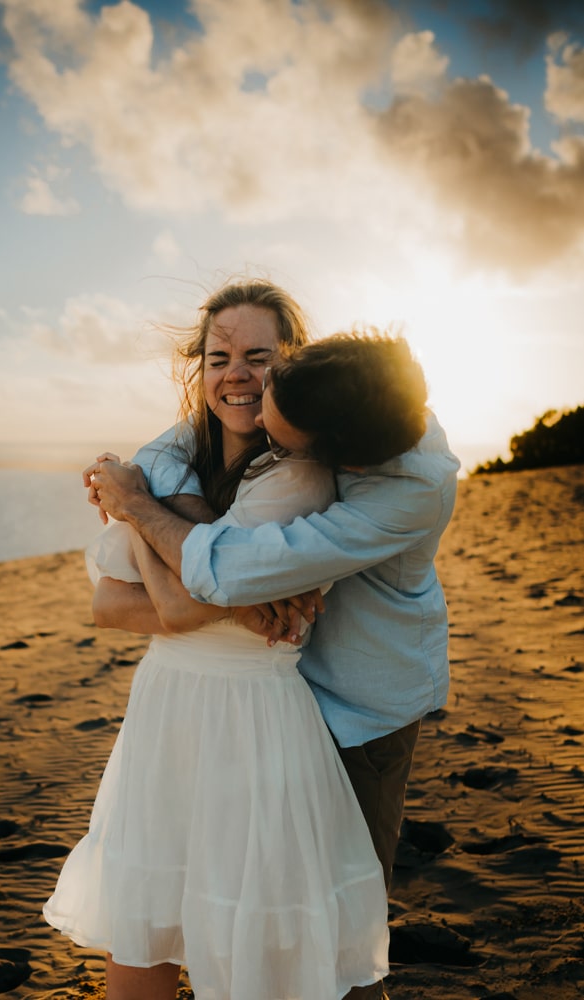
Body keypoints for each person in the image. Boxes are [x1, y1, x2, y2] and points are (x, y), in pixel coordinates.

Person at [83, 323, 460, 1000]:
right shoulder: (331, 391)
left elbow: (213, 578)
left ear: (338, 461)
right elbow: (164, 453)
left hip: (354, 710)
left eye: (268, 407)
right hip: (236, 707)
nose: (253, 409)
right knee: (187, 897)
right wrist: (151, 495)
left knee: (328, 934)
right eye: (220, 361)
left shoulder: (395, 492)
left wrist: (136, 505)